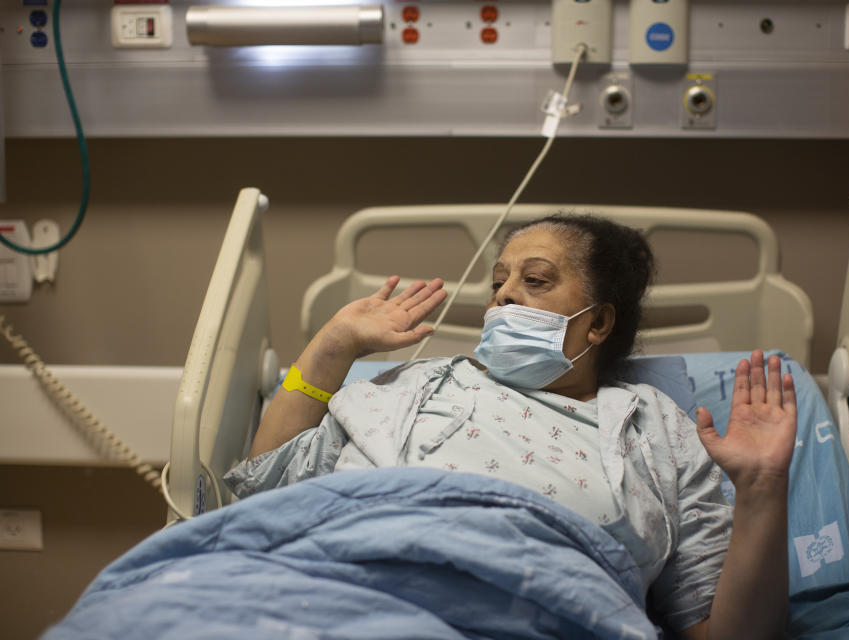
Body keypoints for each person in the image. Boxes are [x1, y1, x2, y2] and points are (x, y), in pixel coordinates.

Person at [226, 214, 797, 640]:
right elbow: (267, 491)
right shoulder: (413, 385)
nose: (503, 293)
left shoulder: (652, 427)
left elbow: (724, 635)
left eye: (537, 279)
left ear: (597, 322)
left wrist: (762, 488)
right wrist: (334, 345)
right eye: (499, 282)